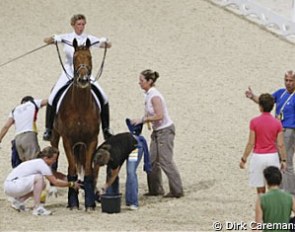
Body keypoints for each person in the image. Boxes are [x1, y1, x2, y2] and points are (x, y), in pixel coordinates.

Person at [42, 13, 112, 141]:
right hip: (69, 71)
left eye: (83, 24)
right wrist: (54, 38)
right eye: (79, 24)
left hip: (85, 73)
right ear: (73, 25)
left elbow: (106, 45)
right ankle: (48, 129)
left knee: (104, 97)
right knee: (52, 98)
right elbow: (46, 40)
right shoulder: (66, 38)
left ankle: (106, 129)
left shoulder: (89, 38)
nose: (81, 27)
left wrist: (105, 41)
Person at [131, 69, 184, 198]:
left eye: (142, 80)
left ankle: (177, 190)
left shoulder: (154, 96)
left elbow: (159, 116)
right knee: (152, 160)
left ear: (149, 81)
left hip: (165, 131)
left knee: (166, 161)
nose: (139, 83)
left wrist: (143, 120)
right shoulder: (148, 95)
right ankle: (155, 189)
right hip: (157, 132)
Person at [245, 70, 295, 195]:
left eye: (291, 81)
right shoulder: (280, 93)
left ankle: (289, 192)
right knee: (280, 160)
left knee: (286, 160)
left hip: (289, 130)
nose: (288, 83)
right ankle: (282, 188)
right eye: (286, 80)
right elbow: (266, 102)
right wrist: (253, 97)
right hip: (278, 129)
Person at [3, 146, 80, 216]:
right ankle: (37, 208)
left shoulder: (38, 163)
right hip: (13, 186)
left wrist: (67, 179)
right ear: (46, 158)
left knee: (41, 184)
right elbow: (55, 182)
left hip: (10, 185)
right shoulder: (42, 164)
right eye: (54, 159)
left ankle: (18, 201)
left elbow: (55, 175)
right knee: (39, 179)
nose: (54, 161)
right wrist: (72, 184)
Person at [93, 125, 151, 210]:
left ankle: (133, 202)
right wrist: (94, 184)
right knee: (109, 171)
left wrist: (105, 186)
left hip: (134, 146)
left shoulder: (115, 157)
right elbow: (96, 167)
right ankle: (112, 195)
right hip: (123, 144)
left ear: (109, 159)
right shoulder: (98, 153)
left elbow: (114, 174)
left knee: (130, 172)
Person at [240, 93, 287, 194]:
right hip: (272, 156)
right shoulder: (277, 123)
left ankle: (261, 209)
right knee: (273, 188)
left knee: (260, 190)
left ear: (260, 106)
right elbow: (281, 144)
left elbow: (251, 143)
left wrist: (244, 159)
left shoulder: (254, 122)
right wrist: (283, 160)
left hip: (258, 156)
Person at [0, 96, 47, 162]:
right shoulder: (32, 103)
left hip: (18, 139)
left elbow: (6, 126)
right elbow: (49, 101)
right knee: (35, 161)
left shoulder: (14, 110)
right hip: (29, 135)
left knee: (25, 164)